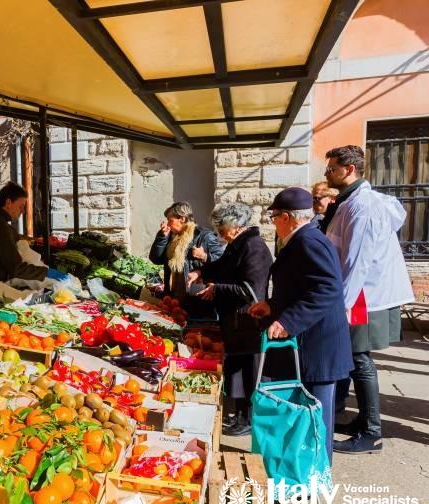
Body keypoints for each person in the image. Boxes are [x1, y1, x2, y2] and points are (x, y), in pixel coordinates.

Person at [249, 187, 354, 464]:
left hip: (319, 347)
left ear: (287, 217)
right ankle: (302, 473)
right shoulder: (301, 239)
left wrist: (287, 320)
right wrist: (273, 306)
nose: (272, 222)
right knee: (306, 416)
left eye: (273, 217)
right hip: (313, 343)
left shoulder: (309, 241)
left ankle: (315, 477)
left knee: (315, 418)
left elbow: (327, 288)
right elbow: (301, 286)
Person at [321, 145, 414, 454]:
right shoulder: (351, 202)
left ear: (350, 169)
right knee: (357, 359)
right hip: (361, 292)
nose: (327, 173)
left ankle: (372, 432)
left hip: (363, 295)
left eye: (332, 168)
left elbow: (357, 260)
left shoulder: (363, 206)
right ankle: (363, 420)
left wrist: (342, 305)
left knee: (360, 359)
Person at [191, 203, 272, 436]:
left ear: (235, 226)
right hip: (236, 321)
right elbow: (222, 267)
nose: (218, 233)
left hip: (248, 320)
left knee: (249, 370)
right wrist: (202, 272)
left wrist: (217, 288)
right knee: (238, 368)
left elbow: (251, 289)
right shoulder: (237, 244)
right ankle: (240, 415)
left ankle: (248, 419)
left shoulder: (253, 247)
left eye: (221, 227)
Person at [148, 202, 223, 318]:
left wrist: (204, 257)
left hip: (197, 300)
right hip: (174, 299)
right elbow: (156, 259)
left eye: (170, 220)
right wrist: (162, 237)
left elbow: (222, 262)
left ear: (182, 219)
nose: (168, 224)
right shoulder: (171, 237)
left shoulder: (204, 236)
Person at [0, 182, 48, 282]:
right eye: (20, 206)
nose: (23, 211)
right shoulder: (0, 226)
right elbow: (16, 269)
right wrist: (46, 273)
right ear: (8, 203)